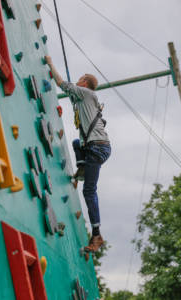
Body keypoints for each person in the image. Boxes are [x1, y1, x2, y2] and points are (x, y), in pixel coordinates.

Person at [45, 56, 111, 252]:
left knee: (89, 191)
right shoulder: (85, 99)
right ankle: (81, 168)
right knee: (76, 143)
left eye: (81, 78)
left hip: (97, 147)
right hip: (97, 146)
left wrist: (50, 62)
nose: (78, 80)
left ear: (85, 83)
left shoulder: (86, 93)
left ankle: (97, 235)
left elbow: (62, 83)